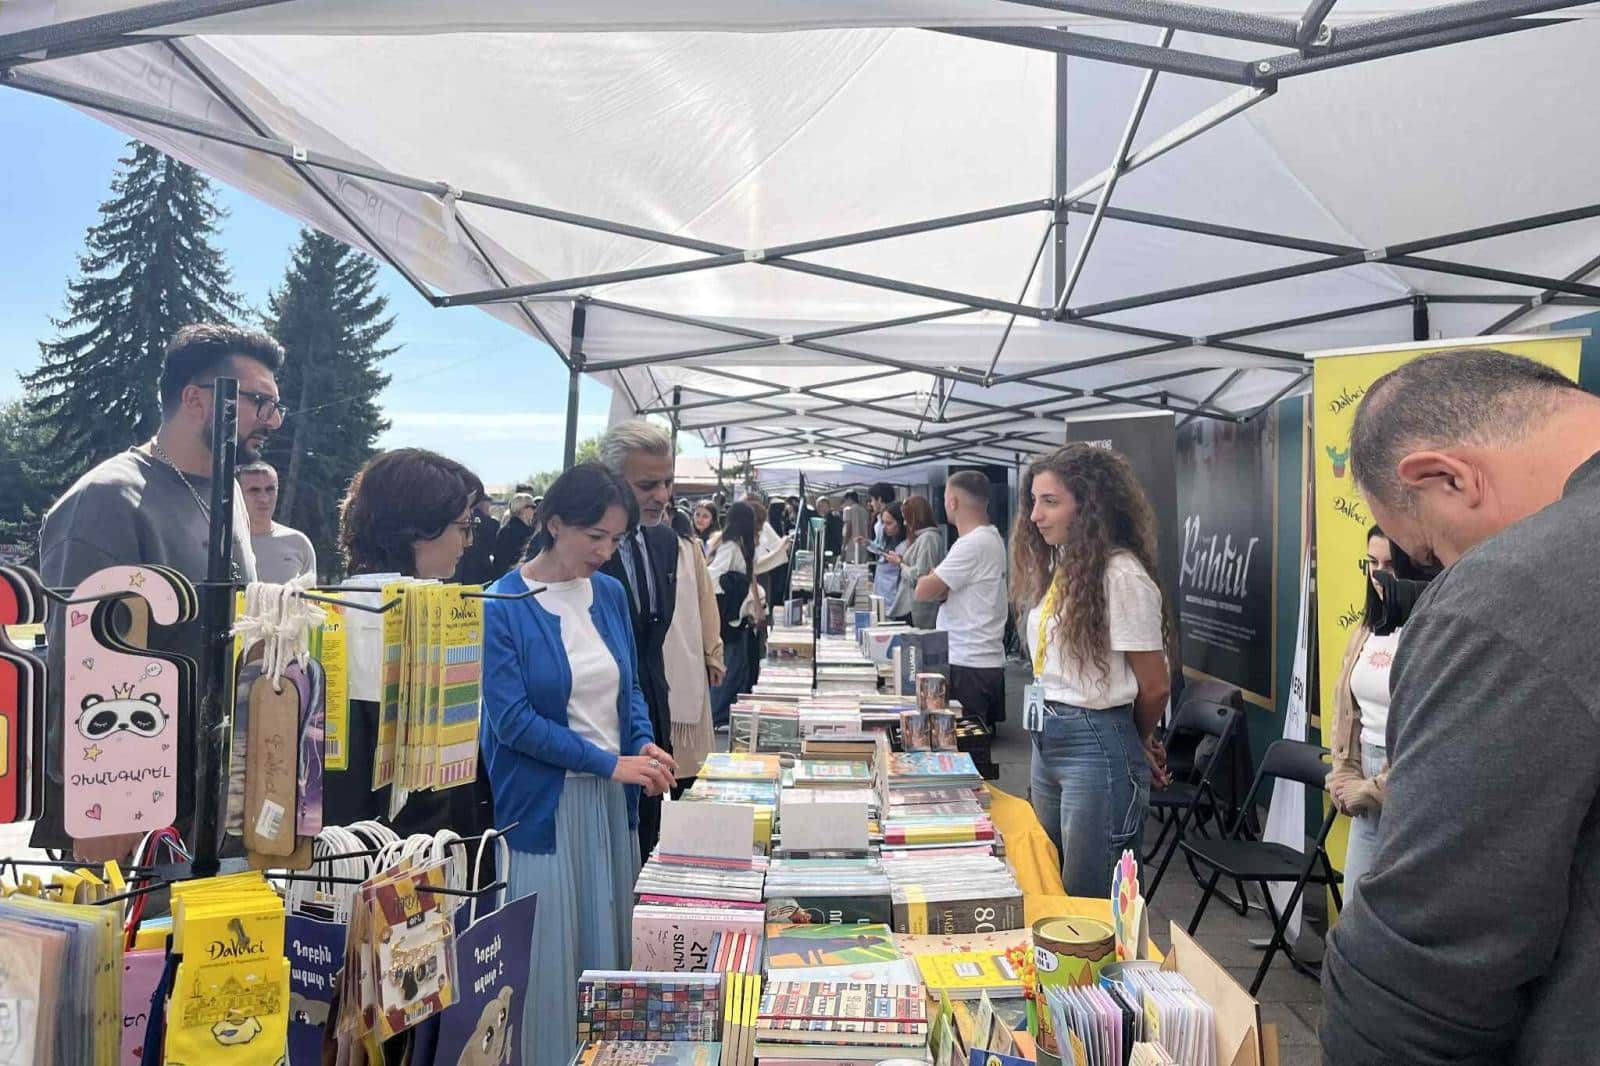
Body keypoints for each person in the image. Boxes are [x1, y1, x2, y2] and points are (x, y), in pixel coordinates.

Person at [1321, 349, 1600, 1066]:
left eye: (1428, 552)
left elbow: (1429, 959)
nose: (1435, 574)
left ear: (1444, 476)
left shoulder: (1517, 587)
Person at [36, 322, 282, 858]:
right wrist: (102, 830)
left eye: (274, 406)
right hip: (128, 815)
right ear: (195, 398)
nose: (270, 421)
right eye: (259, 402)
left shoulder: (229, 497)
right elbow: (77, 670)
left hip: (216, 796)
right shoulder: (107, 500)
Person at [479, 463, 676, 1066]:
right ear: (553, 523)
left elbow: (628, 688)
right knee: (547, 962)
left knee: (602, 953)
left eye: (616, 539)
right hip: (545, 807)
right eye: (595, 536)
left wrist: (640, 744)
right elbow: (512, 723)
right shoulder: (502, 603)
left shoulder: (609, 595)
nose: (605, 551)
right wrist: (607, 763)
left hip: (607, 803)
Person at [1010, 445, 1172, 897]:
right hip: (1050, 738)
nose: (1035, 516)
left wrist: (1135, 740)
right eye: (1034, 501)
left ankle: (1095, 971)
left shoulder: (1121, 576)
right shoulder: (1065, 566)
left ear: (1090, 506)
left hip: (1094, 741)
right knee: (1049, 881)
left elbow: (1155, 686)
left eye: (1051, 502)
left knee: (1090, 896)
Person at [331, 447, 492, 834]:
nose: (467, 543)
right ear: (418, 529)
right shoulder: (386, 620)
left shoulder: (332, 608)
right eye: (463, 526)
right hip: (406, 851)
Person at [1325, 527, 1434, 906]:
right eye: (1372, 562)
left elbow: (1430, 734)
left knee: (1399, 909)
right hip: (1364, 781)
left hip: (1403, 783)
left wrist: (1372, 789)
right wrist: (1344, 770)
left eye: (1389, 563)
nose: (1378, 574)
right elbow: (1346, 708)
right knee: (1354, 908)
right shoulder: (1367, 629)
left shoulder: (1430, 631)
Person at [597, 420, 680, 860]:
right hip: (601, 732)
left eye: (667, 482)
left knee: (648, 847)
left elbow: (653, 640)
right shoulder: (583, 549)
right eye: (647, 484)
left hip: (653, 721)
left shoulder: (666, 542)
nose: (662, 495)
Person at [915, 472, 1008, 730]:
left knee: (965, 749)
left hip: (968, 663)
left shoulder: (971, 544)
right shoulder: (990, 537)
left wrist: (935, 579)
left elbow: (923, 590)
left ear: (952, 501)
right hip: (979, 660)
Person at [707, 501, 765, 727]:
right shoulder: (731, 546)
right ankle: (715, 715)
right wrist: (733, 585)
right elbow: (713, 576)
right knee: (730, 665)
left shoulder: (737, 544)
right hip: (728, 615)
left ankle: (722, 714)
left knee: (738, 664)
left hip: (736, 615)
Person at [237, 460, 316, 583]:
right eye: (254, 490)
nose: (264, 498)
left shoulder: (298, 542)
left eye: (270, 489)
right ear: (238, 494)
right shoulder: (225, 544)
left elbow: (312, 598)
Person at [892, 494, 945, 627]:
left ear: (915, 517)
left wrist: (901, 564)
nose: (904, 523)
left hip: (916, 610)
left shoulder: (928, 539)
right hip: (913, 606)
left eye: (906, 518)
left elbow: (919, 575)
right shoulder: (926, 538)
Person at [493, 492, 538, 578]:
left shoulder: (504, 530)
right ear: (523, 509)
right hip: (522, 578)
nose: (535, 510)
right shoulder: (528, 532)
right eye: (532, 507)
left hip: (504, 579)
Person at [872, 502, 907, 611]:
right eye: (883, 523)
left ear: (901, 523)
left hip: (893, 603)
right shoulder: (890, 541)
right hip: (882, 600)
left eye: (889, 523)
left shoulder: (906, 547)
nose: (884, 528)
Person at [840, 490, 871, 563]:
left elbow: (848, 529)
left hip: (852, 545)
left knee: (851, 569)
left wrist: (844, 546)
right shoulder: (864, 510)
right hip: (863, 545)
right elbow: (869, 527)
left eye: (846, 500)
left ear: (849, 498)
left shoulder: (848, 509)